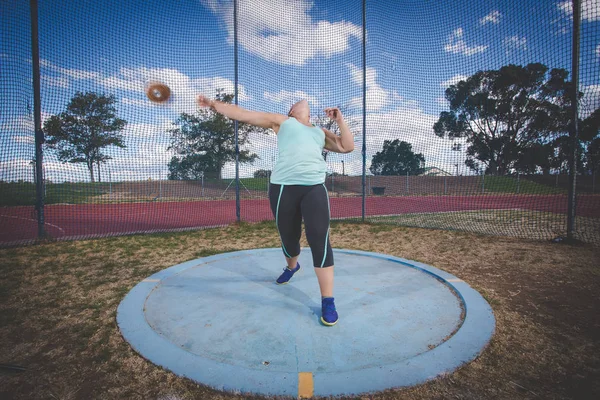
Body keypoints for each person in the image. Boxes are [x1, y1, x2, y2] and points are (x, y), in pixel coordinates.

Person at [196, 95, 354, 326]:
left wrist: (340, 120)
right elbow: (243, 114)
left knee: (319, 238)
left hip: (314, 188)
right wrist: (213, 105)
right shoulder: (282, 121)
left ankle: (327, 300)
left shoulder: (320, 132)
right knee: (289, 239)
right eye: (295, 103)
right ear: (292, 111)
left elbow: (347, 146)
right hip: (282, 189)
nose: (301, 100)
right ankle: (292, 266)